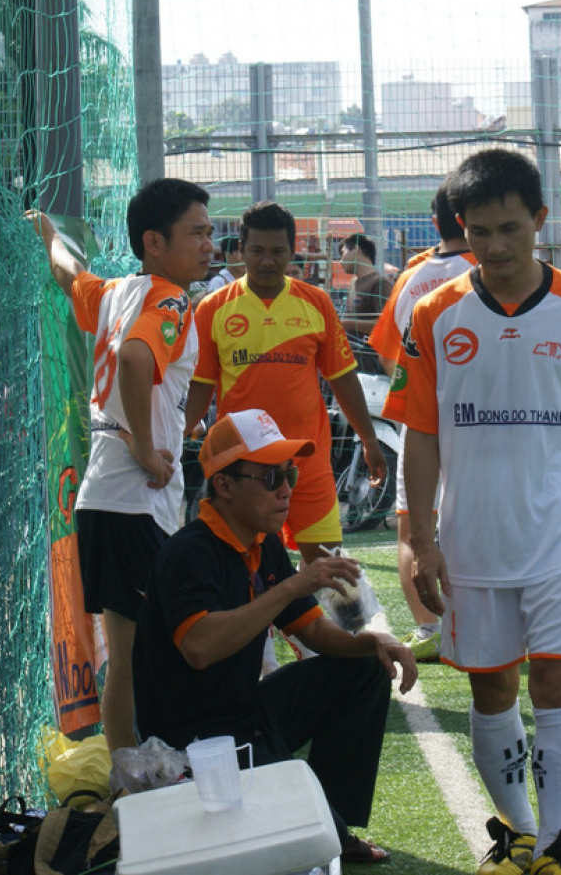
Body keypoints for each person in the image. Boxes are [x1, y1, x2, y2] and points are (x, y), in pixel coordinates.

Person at [384, 148, 561, 875]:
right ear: (459, 229)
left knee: (556, 678)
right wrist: (421, 538)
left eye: (510, 228)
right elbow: (422, 431)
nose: (496, 247)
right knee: (490, 682)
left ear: (539, 220)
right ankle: (518, 835)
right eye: (479, 232)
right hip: (472, 537)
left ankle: (557, 847)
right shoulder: (435, 314)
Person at [132, 409, 417, 865]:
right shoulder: (188, 553)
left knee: (362, 670)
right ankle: (324, 825)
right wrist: (292, 585)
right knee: (290, 844)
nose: (286, 487)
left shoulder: (261, 545)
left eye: (289, 472)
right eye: (270, 477)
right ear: (223, 486)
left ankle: (334, 822)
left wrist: (373, 643)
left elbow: (316, 633)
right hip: (194, 744)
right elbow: (200, 648)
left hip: (246, 713)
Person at [30, 178, 215, 752]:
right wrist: (140, 444)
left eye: (210, 232)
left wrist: (47, 235)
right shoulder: (168, 300)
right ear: (154, 242)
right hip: (134, 502)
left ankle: (128, 780)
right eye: (198, 233)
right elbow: (136, 357)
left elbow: (68, 277)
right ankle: (140, 778)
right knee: (148, 657)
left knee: (130, 659)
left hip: (104, 500)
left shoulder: (115, 292)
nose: (210, 244)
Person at [185, 201, 386, 563]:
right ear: (240, 252)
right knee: (244, 571)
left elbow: (343, 378)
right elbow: (201, 384)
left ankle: (345, 623)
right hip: (244, 470)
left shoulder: (316, 302)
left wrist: (369, 440)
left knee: (329, 569)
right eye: (257, 251)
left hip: (308, 466)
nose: (267, 261)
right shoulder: (212, 309)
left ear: (292, 251)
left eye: (277, 251)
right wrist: (181, 434)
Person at [369, 181, 474, 662]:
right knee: (475, 520)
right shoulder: (495, 269)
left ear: (435, 224)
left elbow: (390, 357)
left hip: (421, 423)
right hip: (480, 425)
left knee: (414, 526)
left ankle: (430, 628)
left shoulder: (412, 278)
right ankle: (482, 624)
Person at [339, 233, 393, 339]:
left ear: (355, 249)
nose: (340, 261)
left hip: (371, 353)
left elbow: (387, 323)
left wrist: (347, 324)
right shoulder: (353, 282)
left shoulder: (379, 283)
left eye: (343, 253)